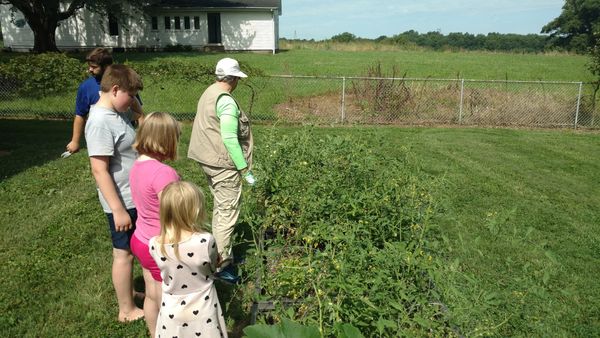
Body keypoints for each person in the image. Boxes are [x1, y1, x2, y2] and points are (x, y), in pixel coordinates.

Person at [84, 64, 144, 322]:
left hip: (132, 196)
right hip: (121, 200)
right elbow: (99, 170)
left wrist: (135, 107)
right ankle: (126, 309)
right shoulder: (99, 121)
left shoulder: (116, 113)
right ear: (115, 89)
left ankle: (129, 292)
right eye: (131, 95)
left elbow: (140, 119)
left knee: (130, 251)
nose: (133, 100)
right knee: (123, 253)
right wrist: (118, 209)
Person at [188, 57, 256, 284]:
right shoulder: (226, 101)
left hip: (207, 158)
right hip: (222, 164)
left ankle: (218, 253)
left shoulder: (210, 91)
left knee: (220, 207)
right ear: (234, 78)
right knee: (227, 212)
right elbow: (229, 137)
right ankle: (223, 267)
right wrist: (244, 168)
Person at [149, 181, 228, 338]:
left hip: (171, 311)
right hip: (203, 310)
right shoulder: (205, 241)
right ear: (196, 210)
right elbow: (212, 268)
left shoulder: (155, 244)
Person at [129, 112, 181, 338]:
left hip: (140, 239)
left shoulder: (138, 164)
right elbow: (174, 214)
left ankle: (154, 332)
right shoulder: (164, 173)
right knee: (166, 298)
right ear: (166, 140)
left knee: (151, 294)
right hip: (160, 245)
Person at [66, 47, 144, 155]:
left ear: (106, 66)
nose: (90, 70)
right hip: (103, 137)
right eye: (89, 66)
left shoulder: (124, 84)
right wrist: (75, 141)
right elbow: (80, 115)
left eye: (94, 67)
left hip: (125, 137)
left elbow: (138, 111)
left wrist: (144, 135)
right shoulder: (86, 87)